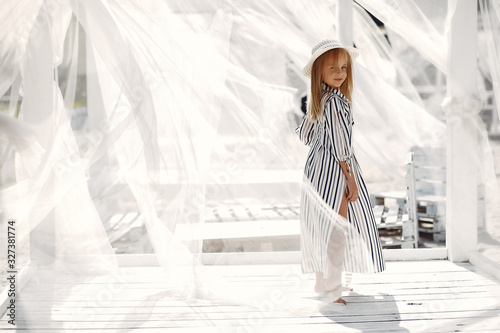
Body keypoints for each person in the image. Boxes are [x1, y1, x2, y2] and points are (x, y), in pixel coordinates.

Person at [296, 39, 385, 305]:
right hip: (336, 171)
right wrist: (350, 179)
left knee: (322, 227)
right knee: (337, 230)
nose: (340, 72)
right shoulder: (335, 102)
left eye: (344, 67)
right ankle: (333, 289)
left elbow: (304, 135)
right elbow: (340, 145)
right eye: (333, 67)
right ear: (319, 72)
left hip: (316, 170)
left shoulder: (320, 101)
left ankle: (322, 282)